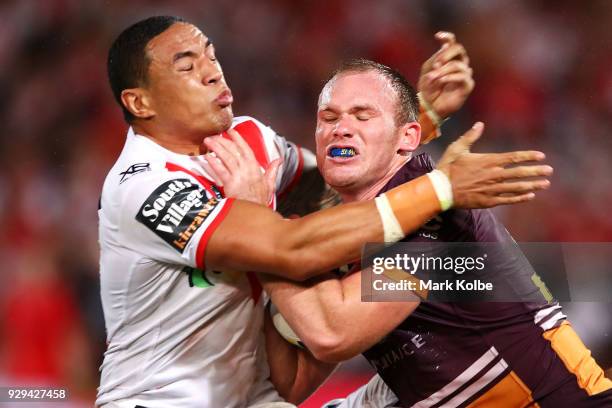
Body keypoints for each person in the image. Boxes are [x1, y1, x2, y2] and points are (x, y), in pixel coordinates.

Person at [97, 16, 552, 407]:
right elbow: (290, 249)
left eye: (211, 55)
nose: (213, 72)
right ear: (141, 102)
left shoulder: (248, 139)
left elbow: (346, 186)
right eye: (187, 66)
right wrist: (440, 187)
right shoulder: (144, 186)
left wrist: (415, 118)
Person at [215, 60, 609, 407]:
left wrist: (256, 225)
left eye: (362, 115)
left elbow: (334, 332)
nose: (341, 129)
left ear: (408, 137)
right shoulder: (343, 229)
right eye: (329, 118)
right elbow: (289, 385)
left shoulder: (434, 218)